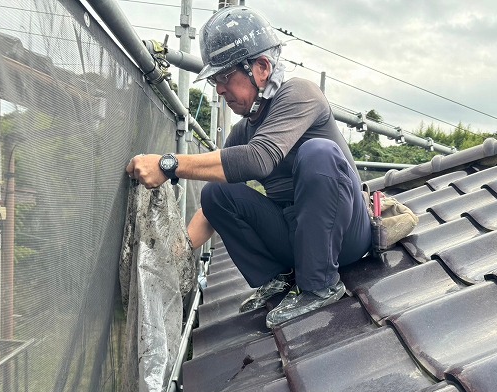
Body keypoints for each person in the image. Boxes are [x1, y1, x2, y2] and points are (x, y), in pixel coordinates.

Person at [127, 6, 372, 328]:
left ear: (261, 67)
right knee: (216, 193)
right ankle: (279, 278)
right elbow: (215, 198)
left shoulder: (300, 94)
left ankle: (320, 284)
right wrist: (177, 252)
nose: (219, 89)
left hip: (346, 235)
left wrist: (168, 164)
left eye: (225, 77)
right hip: (297, 238)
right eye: (215, 79)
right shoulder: (245, 129)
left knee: (318, 153)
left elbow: (259, 157)